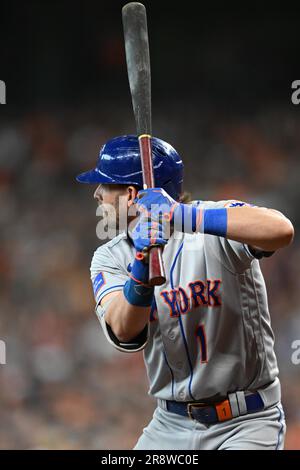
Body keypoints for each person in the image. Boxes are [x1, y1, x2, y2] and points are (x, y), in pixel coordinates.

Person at [76, 134, 294, 450]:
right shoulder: (110, 256)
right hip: (170, 424)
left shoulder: (213, 225)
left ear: (131, 194)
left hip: (246, 422)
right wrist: (141, 271)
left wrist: (180, 215)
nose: (96, 194)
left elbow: (281, 230)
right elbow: (124, 329)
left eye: (105, 185)